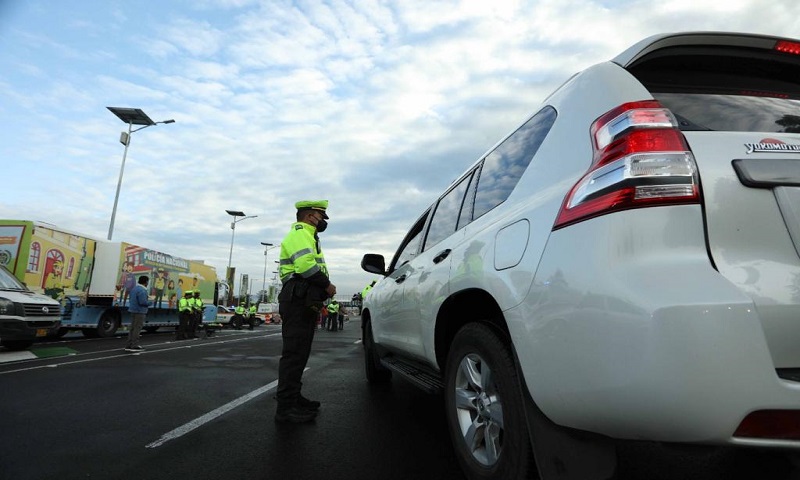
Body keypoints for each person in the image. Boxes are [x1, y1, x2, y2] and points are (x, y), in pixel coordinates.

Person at [275, 200, 336, 423]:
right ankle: (285, 408)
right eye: (321, 217)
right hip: (297, 298)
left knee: (300, 352)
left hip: (301, 298)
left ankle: (294, 398)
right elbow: (306, 267)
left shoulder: (309, 235)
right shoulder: (301, 233)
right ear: (311, 216)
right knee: (294, 353)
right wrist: (328, 286)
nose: (323, 222)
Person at [125, 275, 150, 352]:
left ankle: (129, 345)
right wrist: (151, 303)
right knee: (137, 328)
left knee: (132, 328)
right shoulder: (142, 290)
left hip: (133, 310)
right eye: (147, 282)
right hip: (140, 311)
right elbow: (143, 302)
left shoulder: (134, 289)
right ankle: (134, 345)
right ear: (146, 282)